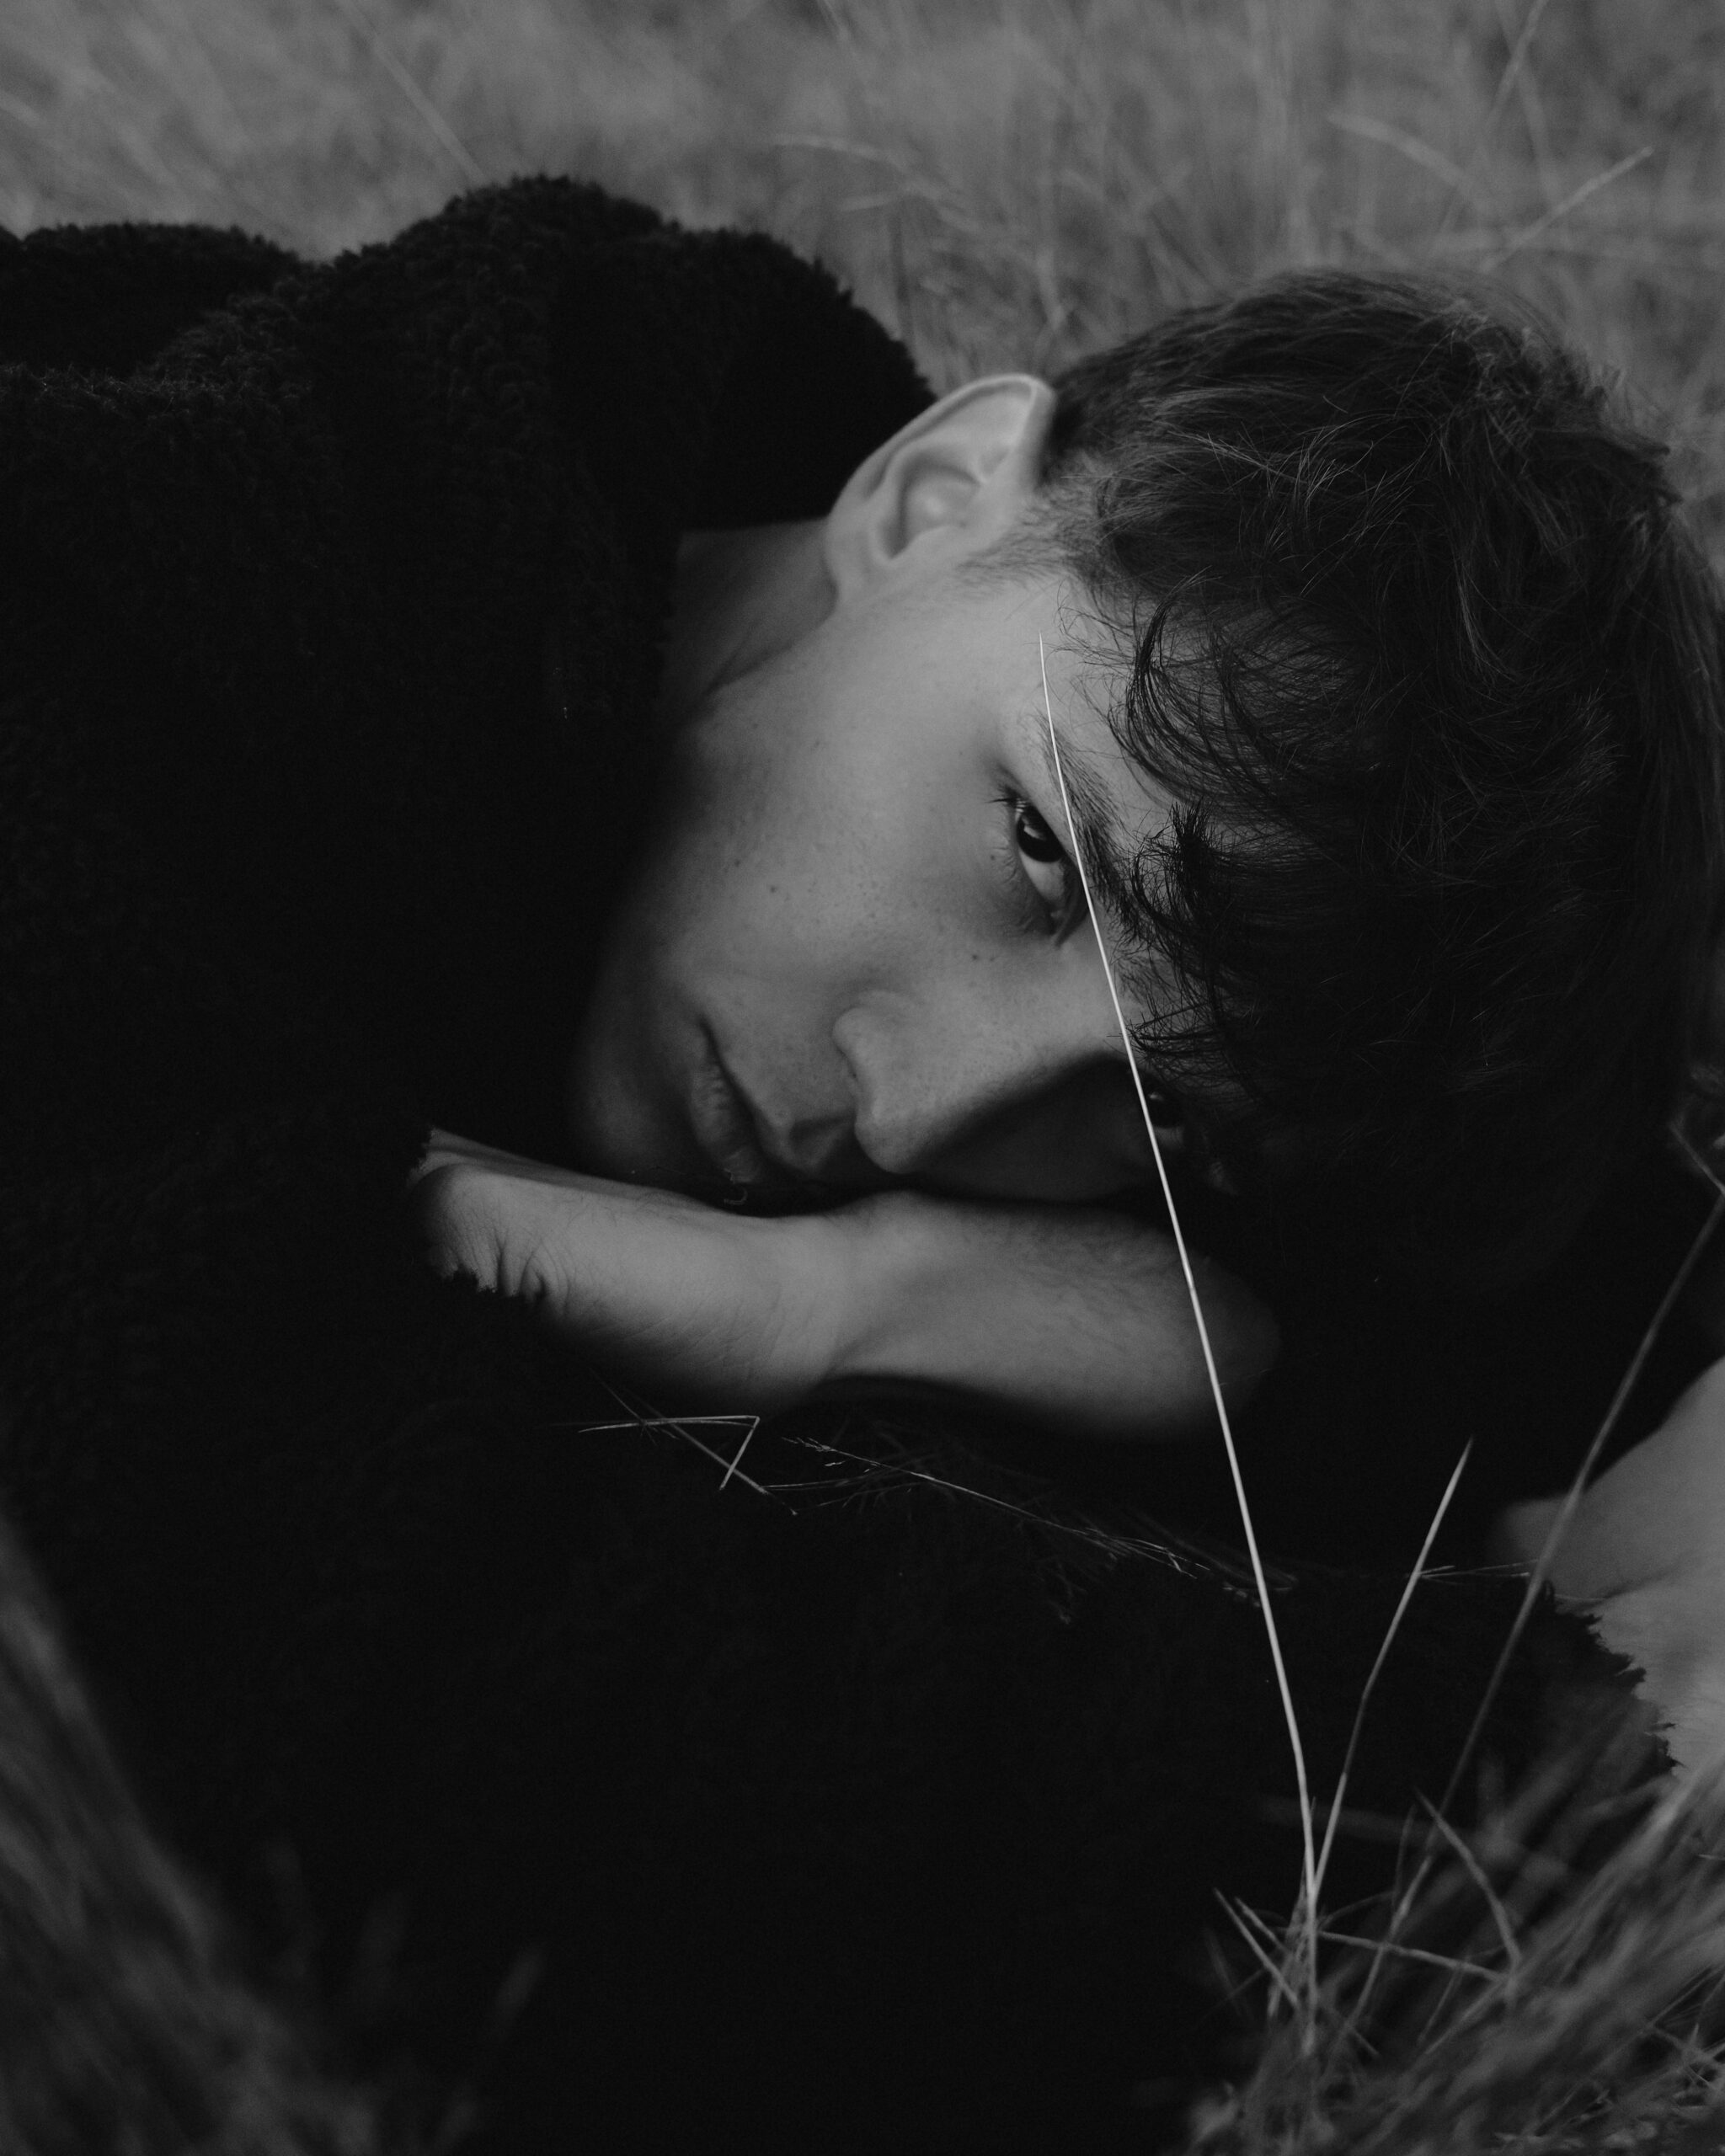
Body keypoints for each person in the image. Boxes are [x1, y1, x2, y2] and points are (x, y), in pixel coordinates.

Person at [0, 174, 1716, 2149]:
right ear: (925, 496)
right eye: (1036, 856)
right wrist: (1568, 1740)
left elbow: (1561, 1294)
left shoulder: (874, 687)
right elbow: (370, 1732)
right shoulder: (126, 600)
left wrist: (888, 1298)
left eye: (1155, 1118)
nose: (919, 1114)